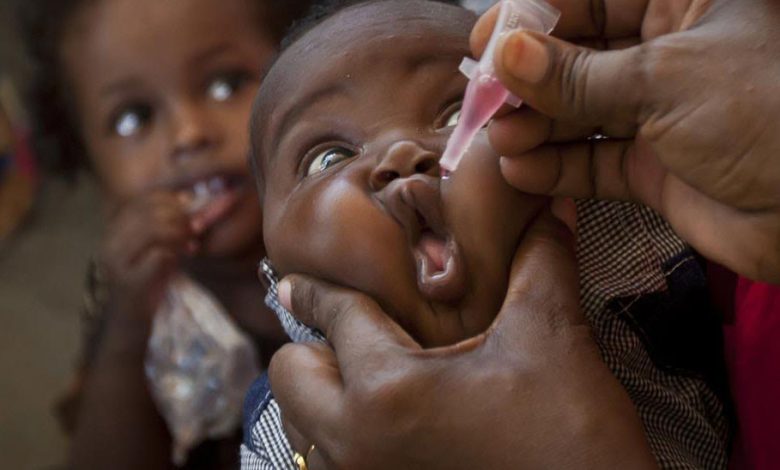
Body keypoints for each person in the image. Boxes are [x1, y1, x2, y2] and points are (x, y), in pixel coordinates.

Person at [269, 0, 780, 468]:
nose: (402, 154)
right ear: (275, 260)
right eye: (328, 158)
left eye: (454, 111)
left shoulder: (678, 256)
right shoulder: (289, 438)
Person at [18, 0, 309, 468]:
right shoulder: (131, 298)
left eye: (225, 84)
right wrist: (131, 325)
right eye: (134, 118)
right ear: (88, 160)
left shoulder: (358, 218)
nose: (188, 134)